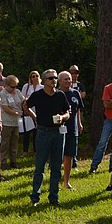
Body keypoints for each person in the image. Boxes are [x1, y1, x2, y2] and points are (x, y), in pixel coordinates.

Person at [23, 69, 70, 206]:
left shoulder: (60, 95)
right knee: (40, 166)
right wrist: (35, 118)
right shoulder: (38, 95)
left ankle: (54, 197)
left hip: (58, 132)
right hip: (43, 132)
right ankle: (35, 197)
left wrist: (62, 117)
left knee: (56, 166)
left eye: (55, 78)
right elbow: (26, 106)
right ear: (44, 81)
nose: (53, 80)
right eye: (50, 78)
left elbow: (68, 112)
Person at [59, 71, 84, 190]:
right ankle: (55, 181)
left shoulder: (75, 93)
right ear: (59, 81)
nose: (68, 81)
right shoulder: (56, 94)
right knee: (58, 156)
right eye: (65, 79)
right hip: (58, 129)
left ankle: (66, 182)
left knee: (69, 155)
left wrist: (79, 123)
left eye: (69, 79)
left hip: (72, 129)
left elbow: (78, 109)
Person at [0, 75, 24, 169]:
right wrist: (16, 113)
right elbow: (5, 108)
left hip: (16, 122)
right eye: (12, 87)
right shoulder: (3, 93)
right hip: (6, 122)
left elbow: (23, 101)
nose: (14, 88)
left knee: (14, 142)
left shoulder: (17, 92)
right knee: (5, 142)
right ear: (6, 85)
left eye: (16, 86)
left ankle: (13, 161)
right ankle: (3, 162)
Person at [20, 71, 43, 155]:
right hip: (28, 112)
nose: (35, 77)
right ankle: (25, 150)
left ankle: (35, 150)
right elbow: (22, 98)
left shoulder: (42, 87)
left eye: (37, 76)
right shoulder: (26, 87)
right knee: (27, 132)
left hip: (38, 112)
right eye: (33, 76)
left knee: (36, 132)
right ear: (30, 78)